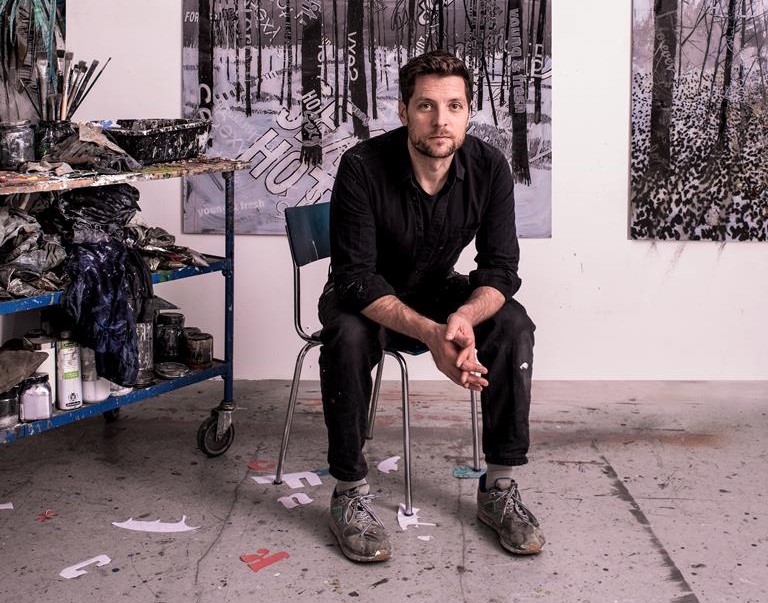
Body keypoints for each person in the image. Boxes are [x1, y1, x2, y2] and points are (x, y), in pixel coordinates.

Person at [319, 49, 544, 563]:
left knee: (512, 324)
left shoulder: (489, 167)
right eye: (426, 106)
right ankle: (349, 493)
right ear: (403, 110)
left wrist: (462, 317)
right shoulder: (361, 166)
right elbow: (355, 277)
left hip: (435, 287)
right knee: (347, 337)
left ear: (468, 111)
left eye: (454, 106)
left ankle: (499, 488)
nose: (441, 120)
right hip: (362, 297)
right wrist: (429, 333)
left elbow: (501, 269)